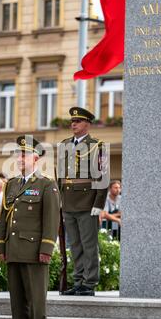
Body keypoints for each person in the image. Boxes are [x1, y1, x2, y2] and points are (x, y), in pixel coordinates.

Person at [0, 135, 60, 319]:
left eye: (24, 154)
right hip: (13, 250)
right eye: (18, 153)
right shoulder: (12, 184)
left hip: (34, 252)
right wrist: (1, 247)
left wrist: (46, 249)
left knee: (35, 301)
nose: (20, 158)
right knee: (17, 300)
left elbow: (51, 220)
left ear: (36, 158)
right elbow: (5, 217)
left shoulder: (46, 184)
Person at [59, 107, 108, 296]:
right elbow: (60, 177)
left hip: (87, 203)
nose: (73, 124)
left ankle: (89, 283)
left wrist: (98, 205)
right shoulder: (64, 144)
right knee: (75, 245)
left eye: (78, 121)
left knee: (89, 245)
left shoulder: (97, 145)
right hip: (69, 203)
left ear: (87, 124)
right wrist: (60, 201)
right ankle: (78, 280)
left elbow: (103, 178)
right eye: (72, 121)